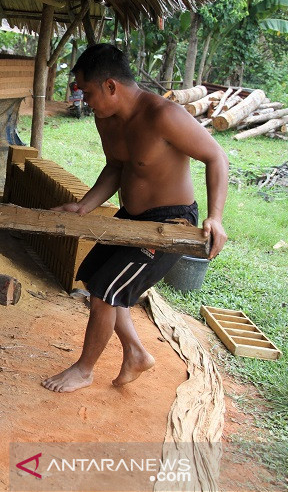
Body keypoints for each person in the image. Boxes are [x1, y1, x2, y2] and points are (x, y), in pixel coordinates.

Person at [42, 44, 229, 393]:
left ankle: (85, 369)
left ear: (111, 86)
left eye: (88, 92)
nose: (84, 100)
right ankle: (136, 353)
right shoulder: (105, 119)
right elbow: (116, 167)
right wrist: (84, 206)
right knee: (98, 276)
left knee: (104, 294)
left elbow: (216, 157)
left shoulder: (163, 115)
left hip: (170, 223)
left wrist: (216, 217)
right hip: (130, 216)